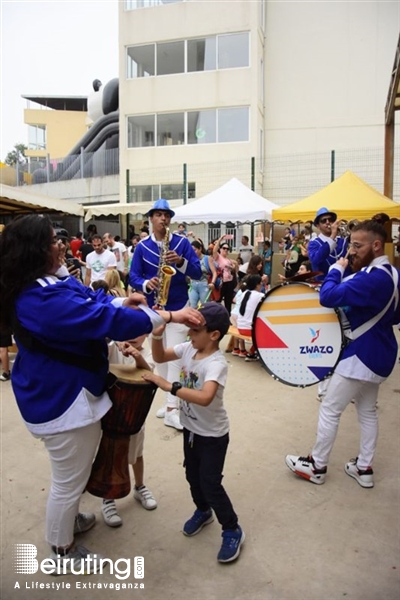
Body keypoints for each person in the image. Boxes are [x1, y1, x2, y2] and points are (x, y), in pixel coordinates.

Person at [0, 214, 204, 574]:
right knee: (67, 480)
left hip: (64, 392)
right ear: (35, 250)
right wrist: (168, 316)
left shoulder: (47, 284)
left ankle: (69, 520)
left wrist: (120, 303)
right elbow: (100, 320)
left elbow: (91, 304)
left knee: (72, 475)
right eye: (53, 240)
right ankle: (61, 549)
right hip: (60, 400)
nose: (61, 244)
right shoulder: (38, 298)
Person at [285, 220, 398, 489]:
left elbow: (328, 295)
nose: (351, 251)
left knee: (330, 409)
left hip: (360, 356)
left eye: (357, 246)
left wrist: (337, 267)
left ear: (377, 245)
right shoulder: (394, 274)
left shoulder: (371, 277)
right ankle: (364, 468)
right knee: (368, 411)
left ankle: (317, 465)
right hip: (383, 353)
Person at [142, 302, 245, 564]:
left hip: (213, 435)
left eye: (195, 331)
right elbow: (160, 357)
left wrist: (168, 386)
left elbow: (206, 397)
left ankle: (232, 528)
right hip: (191, 432)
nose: (189, 335)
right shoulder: (190, 348)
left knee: (210, 482)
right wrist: (156, 334)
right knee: (192, 476)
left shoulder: (216, 364)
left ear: (214, 335)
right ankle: (203, 511)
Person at [129, 199, 202, 431]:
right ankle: (168, 402)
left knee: (176, 359)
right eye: (159, 215)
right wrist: (146, 283)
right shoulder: (141, 247)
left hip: (178, 308)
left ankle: (172, 408)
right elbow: (133, 276)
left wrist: (180, 261)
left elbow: (198, 272)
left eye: (166, 215)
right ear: (151, 218)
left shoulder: (181, 243)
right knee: (160, 357)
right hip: (153, 309)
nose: (163, 219)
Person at [102, 334, 157, 527]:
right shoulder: (112, 347)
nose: (134, 336)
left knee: (137, 454)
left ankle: (139, 486)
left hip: (134, 416)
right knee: (110, 456)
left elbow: (150, 374)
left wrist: (137, 356)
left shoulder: (148, 351)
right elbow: (100, 352)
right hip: (109, 414)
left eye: (139, 331)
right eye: (128, 330)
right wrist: (113, 341)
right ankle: (107, 497)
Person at [307, 207, 349, 281]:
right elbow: (316, 260)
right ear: (318, 226)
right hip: (324, 284)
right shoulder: (313, 244)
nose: (328, 222)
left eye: (331, 220)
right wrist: (332, 236)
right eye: (323, 221)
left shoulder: (343, 241)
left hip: (345, 283)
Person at [237, 274, 264, 361]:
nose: (262, 285)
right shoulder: (259, 296)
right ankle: (252, 353)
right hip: (249, 329)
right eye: (261, 283)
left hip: (240, 327)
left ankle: (252, 351)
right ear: (257, 284)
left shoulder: (244, 293)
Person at [213, 236, 238, 315]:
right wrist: (220, 239)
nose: (226, 250)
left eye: (227, 249)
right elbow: (214, 250)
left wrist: (233, 267)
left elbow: (235, 268)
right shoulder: (218, 257)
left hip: (229, 282)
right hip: (221, 282)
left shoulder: (228, 260)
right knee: (218, 300)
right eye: (224, 248)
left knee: (228, 302)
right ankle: (217, 316)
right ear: (220, 249)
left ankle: (227, 317)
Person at [188, 240, 217, 308]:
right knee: (192, 306)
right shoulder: (191, 259)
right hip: (193, 284)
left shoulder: (207, 258)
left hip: (204, 285)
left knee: (205, 307)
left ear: (200, 249)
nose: (193, 252)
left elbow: (214, 272)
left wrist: (212, 283)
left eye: (195, 250)